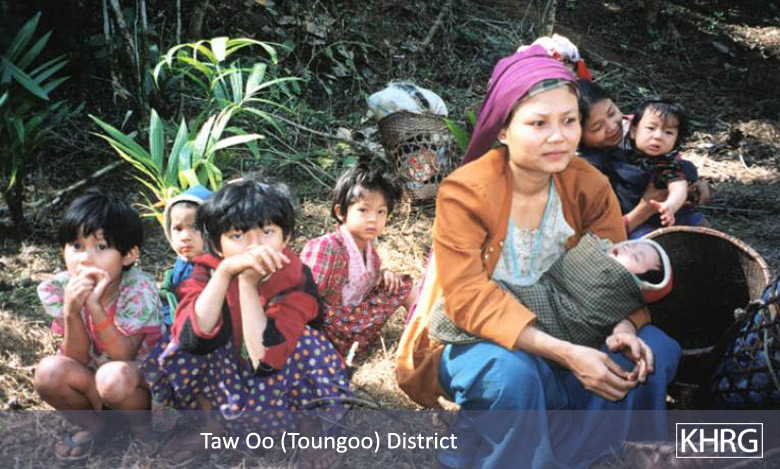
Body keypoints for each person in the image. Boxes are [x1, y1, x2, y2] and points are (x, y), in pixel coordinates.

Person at [396, 45, 681, 468]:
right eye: (538, 123)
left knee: (654, 348)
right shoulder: (464, 193)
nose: (558, 136)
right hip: (481, 338)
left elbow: (616, 276)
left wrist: (623, 326)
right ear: (503, 130)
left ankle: (570, 450)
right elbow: (468, 300)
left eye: (569, 121)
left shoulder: (589, 185)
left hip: (572, 321)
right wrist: (566, 354)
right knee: (513, 375)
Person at [141, 179, 351, 465]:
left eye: (266, 232)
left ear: (286, 238)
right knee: (181, 336)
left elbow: (265, 361)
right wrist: (225, 273)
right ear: (217, 245)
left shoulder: (295, 276)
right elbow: (191, 339)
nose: (254, 246)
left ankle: (309, 431)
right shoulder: (206, 270)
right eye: (238, 235)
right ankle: (212, 426)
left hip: (280, 370)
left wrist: (248, 285)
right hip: (227, 367)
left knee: (307, 343)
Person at [34, 188, 164, 461]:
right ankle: (97, 426)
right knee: (48, 372)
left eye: (101, 247)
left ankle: (142, 428)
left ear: (128, 255)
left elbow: (124, 354)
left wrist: (94, 307)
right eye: (76, 246)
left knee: (113, 377)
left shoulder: (138, 289)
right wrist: (71, 312)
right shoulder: (60, 287)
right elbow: (76, 359)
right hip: (95, 377)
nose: (85, 258)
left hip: (136, 380)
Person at [429, 234, 673, 350]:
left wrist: (625, 328)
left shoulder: (619, 288)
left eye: (637, 257)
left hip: (548, 332)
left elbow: (623, 303)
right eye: (633, 244)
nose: (629, 248)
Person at [301, 164, 418, 362]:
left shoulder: (372, 254)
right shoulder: (327, 247)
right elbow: (303, 298)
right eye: (363, 210)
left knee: (403, 285)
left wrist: (384, 275)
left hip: (353, 327)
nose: (373, 219)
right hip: (327, 331)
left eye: (381, 212)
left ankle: (422, 335)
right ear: (341, 212)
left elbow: (366, 287)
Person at [577, 80, 710, 238]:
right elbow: (597, 238)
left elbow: (669, 162)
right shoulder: (581, 171)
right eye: (597, 127)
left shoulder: (638, 126)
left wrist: (691, 185)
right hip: (632, 231)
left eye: (612, 113)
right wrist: (645, 209)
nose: (612, 127)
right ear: (576, 135)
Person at [626, 98, 703, 230]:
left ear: (676, 139)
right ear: (633, 130)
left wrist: (670, 206)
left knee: (701, 225)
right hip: (634, 221)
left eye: (668, 132)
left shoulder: (666, 164)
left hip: (668, 219)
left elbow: (679, 186)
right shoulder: (619, 156)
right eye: (651, 128)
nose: (658, 136)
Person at [159, 185, 212, 329]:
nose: (185, 237)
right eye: (178, 229)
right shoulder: (183, 260)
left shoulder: (212, 271)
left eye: (195, 228)